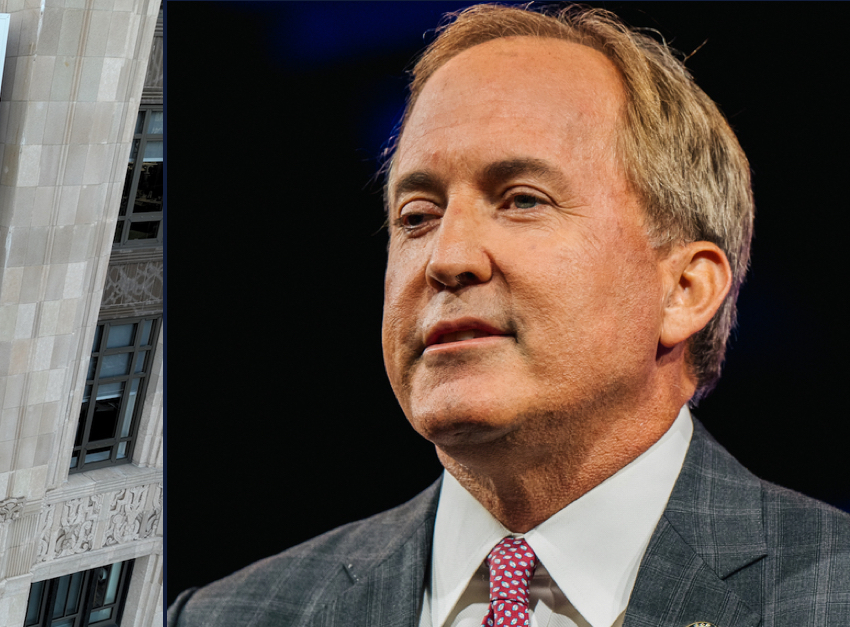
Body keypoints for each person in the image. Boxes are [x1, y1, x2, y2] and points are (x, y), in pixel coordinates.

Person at [167, 4, 850, 626]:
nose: (446, 257)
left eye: (521, 199)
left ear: (685, 289)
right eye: (416, 216)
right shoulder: (226, 616)